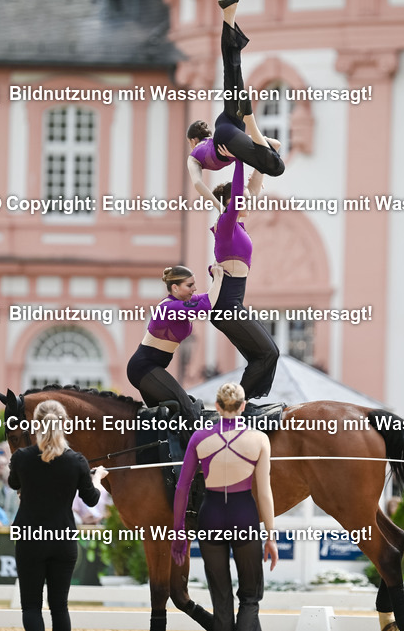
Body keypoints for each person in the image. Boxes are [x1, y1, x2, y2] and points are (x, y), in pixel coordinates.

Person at [172, 383, 277, 631]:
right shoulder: (259, 439)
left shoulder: (199, 437)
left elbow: (182, 488)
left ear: (217, 406)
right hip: (244, 516)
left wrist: (179, 532)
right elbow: (264, 491)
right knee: (250, 598)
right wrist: (271, 536)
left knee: (221, 602)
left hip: (211, 517)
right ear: (243, 406)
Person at [10, 399, 107, 631]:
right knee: (59, 607)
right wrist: (97, 478)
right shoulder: (77, 461)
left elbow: (14, 483)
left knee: (31, 607)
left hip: (30, 537)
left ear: (35, 424)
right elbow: (92, 499)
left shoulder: (21, 457)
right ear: (64, 424)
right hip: (62, 539)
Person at [194, 157, 278, 401]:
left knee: (263, 355)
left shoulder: (238, 226)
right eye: (241, 198)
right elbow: (242, 188)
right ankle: (237, 406)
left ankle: (242, 404)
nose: (248, 201)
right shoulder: (226, 223)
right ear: (231, 202)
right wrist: (240, 159)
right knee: (269, 353)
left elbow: (252, 187)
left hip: (232, 304)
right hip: (225, 306)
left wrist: (263, 156)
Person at [185, 0, 284, 181]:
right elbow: (268, 147)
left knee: (276, 168)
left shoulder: (197, 155)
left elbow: (198, 183)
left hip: (231, 131)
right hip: (228, 123)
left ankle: (250, 118)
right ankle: (229, 12)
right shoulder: (204, 148)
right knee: (231, 71)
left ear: (193, 141)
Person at [126, 264, 225, 429]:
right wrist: (219, 278)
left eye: (194, 284)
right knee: (185, 407)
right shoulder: (169, 307)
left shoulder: (181, 302)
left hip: (151, 368)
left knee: (164, 418)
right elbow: (205, 307)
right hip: (143, 368)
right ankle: (192, 452)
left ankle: (163, 453)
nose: (194, 288)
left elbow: (207, 298)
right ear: (175, 287)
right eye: (189, 285)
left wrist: (220, 278)